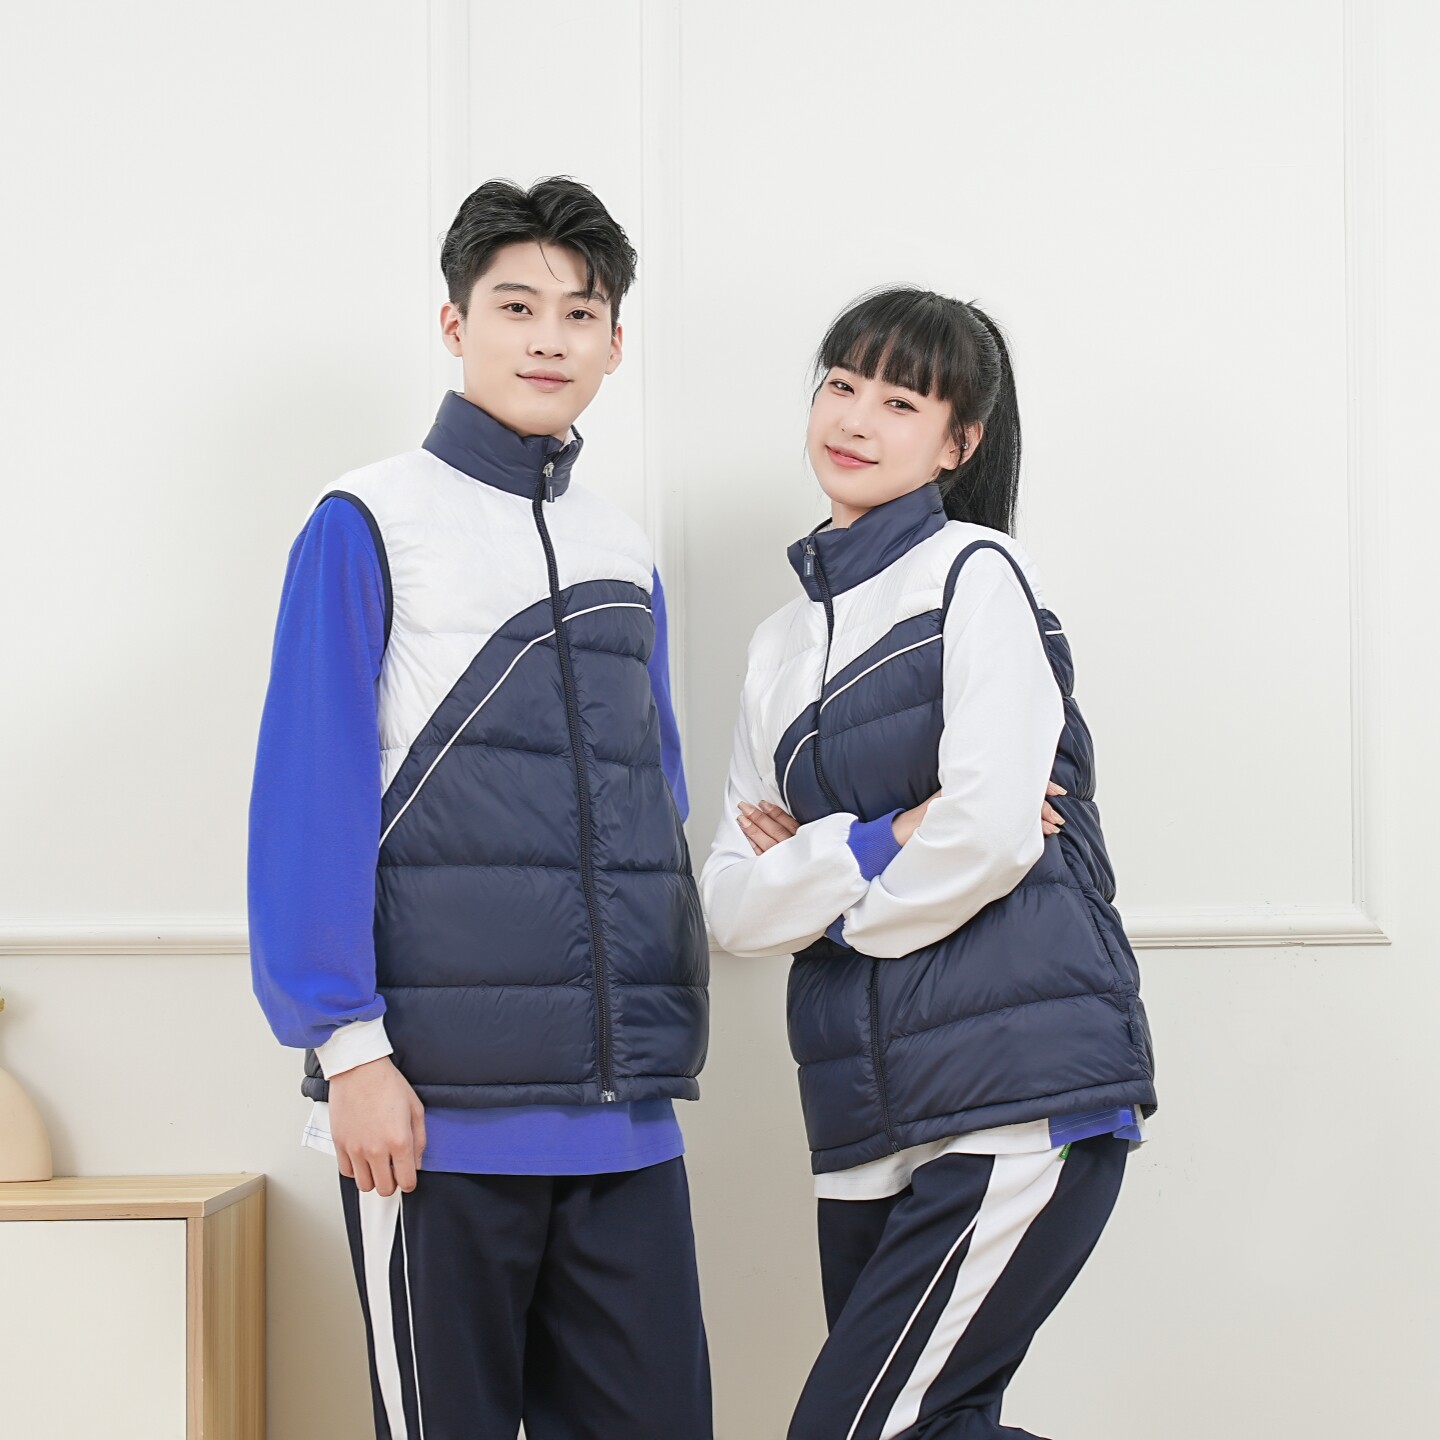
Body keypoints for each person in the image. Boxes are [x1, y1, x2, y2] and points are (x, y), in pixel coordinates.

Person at [248, 176, 711, 1440]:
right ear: (455, 325)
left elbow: (654, 799)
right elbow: (309, 801)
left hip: (624, 1120)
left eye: (580, 312)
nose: (550, 338)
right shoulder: (367, 522)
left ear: (616, 343)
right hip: (432, 1115)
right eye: (517, 307)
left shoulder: (625, 549)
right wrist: (349, 1052)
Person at [699, 286, 1156, 1440]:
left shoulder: (973, 574)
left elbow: (993, 831)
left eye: (902, 402)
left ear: (959, 443)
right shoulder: (777, 648)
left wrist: (823, 896)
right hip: (864, 1123)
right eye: (842, 385)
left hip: (1013, 1091)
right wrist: (880, 837)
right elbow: (730, 906)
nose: (857, 417)